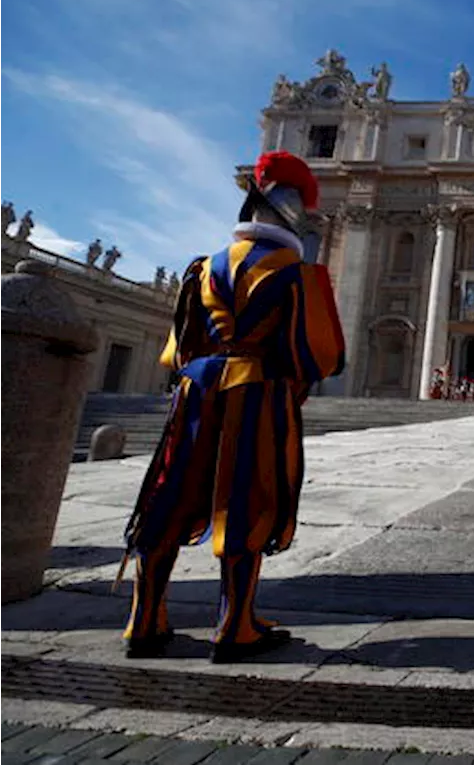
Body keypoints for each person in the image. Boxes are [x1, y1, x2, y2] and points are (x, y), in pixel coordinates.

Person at [119, 151, 345, 663]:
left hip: (198, 391)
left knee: (170, 490)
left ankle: (144, 618)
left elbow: (178, 349)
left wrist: (202, 373)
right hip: (259, 391)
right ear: (295, 214)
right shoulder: (296, 273)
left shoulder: (203, 268)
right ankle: (235, 624)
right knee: (249, 497)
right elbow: (321, 355)